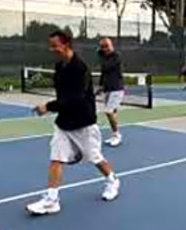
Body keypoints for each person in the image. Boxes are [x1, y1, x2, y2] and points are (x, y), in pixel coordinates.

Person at [26, 30, 120, 216]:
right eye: (50, 45)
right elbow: (63, 96)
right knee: (56, 158)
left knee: (95, 158)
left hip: (83, 122)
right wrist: (55, 107)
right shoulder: (60, 66)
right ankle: (52, 201)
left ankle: (112, 180)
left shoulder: (80, 68)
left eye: (55, 45)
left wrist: (48, 106)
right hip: (64, 122)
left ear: (66, 45)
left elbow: (75, 99)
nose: (51, 49)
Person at [96, 37, 125, 147]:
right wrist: (100, 87)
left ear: (111, 45)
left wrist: (100, 55)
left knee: (108, 111)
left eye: (107, 46)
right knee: (113, 112)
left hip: (117, 89)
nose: (105, 48)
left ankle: (117, 135)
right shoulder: (104, 57)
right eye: (103, 47)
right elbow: (103, 73)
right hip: (107, 89)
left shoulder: (116, 56)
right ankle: (114, 134)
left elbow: (107, 67)